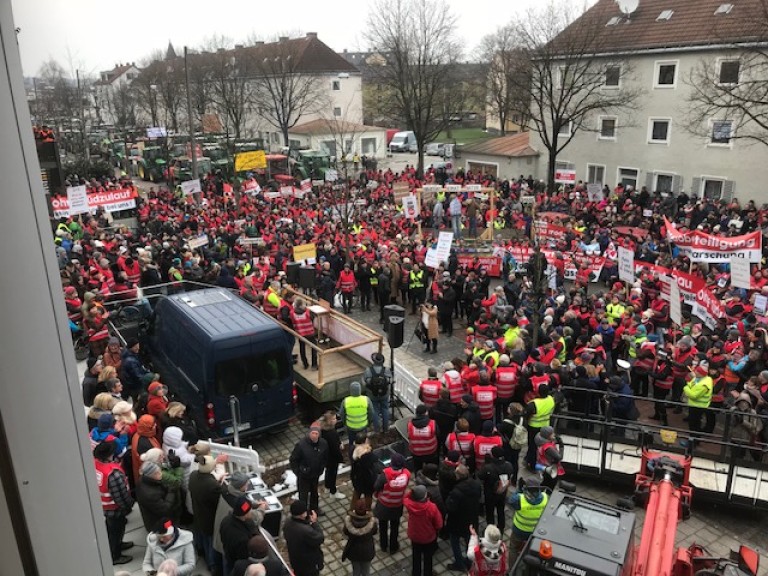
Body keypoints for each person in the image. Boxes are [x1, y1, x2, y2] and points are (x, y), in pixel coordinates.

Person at [93, 440, 134, 565]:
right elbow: (120, 495)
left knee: (112, 530)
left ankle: (118, 545)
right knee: (116, 531)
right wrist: (128, 506)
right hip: (115, 508)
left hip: (105, 506)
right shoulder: (113, 473)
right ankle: (115, 555)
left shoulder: (96, 465)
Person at [188, 453, 229, 576]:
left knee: (201, 537)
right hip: (209, 518)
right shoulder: (212, 485)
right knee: (211, 543)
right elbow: (221, 494)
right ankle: (213, 566)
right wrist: (220, 483)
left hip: (198, 513)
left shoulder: (193, 475)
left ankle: (201, 552)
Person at [445, 464, 482, 571]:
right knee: (469, 542)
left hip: (457, 522)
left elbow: (450, 507)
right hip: (472, 519)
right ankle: (470, 561)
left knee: (455, 542)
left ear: (458, 476)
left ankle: (459, 563)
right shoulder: (476, 484)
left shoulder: (456, 491)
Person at [373, 452, 410, 553]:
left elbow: (376, 486)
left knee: (383, 526)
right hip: (397, 504)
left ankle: (383, 545)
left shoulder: (385, 473)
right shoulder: (407, 474)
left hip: (384, 504)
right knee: (395, 526)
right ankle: (393, 546)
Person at [290, 422, 329, 514]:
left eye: (316, 433)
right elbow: (293, 460)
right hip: (304, 476)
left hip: (315, 474)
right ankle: (304, 513)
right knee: (303, 496)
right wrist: (299, 472)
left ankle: (314, 509)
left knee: (314, 493)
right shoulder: (301, 445)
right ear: (309, 433)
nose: (314, 435)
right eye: (312, 433)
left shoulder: (323, 444)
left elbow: (325, 457)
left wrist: (321, 467)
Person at [404, 485, 443, 576]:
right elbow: (439, 523)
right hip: (428, 537)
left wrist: (413, 492)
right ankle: (427, 573)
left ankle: (416, 573)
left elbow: (405, 496)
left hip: (414, 535)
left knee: (416, 556)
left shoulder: (409, 504)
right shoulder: (431, 507)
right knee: (428, 557)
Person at [509, 477, 548, 566]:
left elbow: (511, 500)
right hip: (534, 531)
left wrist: (519, 489)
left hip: (519, 530)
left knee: (513, 549)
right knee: (533, 549)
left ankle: (511, 569)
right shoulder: (545, 498)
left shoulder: (519, 499)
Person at [283, 500, 325, 576]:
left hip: (296, 561)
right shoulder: (305, 531)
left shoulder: (287, 522)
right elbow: (320, 538)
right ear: (303, 514)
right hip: (309, 565)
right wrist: (314, 523)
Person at [477, 446, 513, 533]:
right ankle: (501, 527)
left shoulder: (488, 467)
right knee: (501, 510)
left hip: (490, 494)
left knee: (490, 512)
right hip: (502, 492)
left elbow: (480, 475)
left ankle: (491, 528)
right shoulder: (508, 465)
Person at [220, 497, 261, 570]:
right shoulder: (242, 538)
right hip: (235, 563)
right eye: (250, 510)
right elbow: (243, 557)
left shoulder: (225, 520)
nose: (252, 511)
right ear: (245, 514)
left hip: (227, 555)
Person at [136, 461, 178, 533]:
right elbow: (164, 509)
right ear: (151, 475)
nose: (161, 474)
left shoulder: (144, 481)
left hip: (152, 517)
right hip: (159, 523)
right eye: (158, 472)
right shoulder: (150, 494)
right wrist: (171, 492)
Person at [342, 499, 378, 576]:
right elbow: (375, 532)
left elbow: (345, 532)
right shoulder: (372, 523)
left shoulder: (349, 522)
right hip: (367, 551)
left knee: (356, 570)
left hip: (353, 550)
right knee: (366, 571)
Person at [339, 381, 375, 459]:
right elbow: (371, 413)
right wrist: (368, 422)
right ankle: (364, 457)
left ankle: (352, 457)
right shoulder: (366, 399)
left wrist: (346, 423)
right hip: (363, 426)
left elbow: (341, 414)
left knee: (352, 443)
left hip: (351, 427)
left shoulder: (346, 401)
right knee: (363, 443)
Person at [682, 363, 715, 446]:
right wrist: (688, 387)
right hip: (694, 405)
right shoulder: (698, 379)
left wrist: (685, 388)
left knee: (694, 425)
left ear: (701, 374)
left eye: (696, 371)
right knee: (693, 424)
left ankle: (693, 442)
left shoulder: (704, 384)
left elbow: (694, 395)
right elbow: (690, 384)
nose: (694, 372)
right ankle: (693, 440)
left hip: (698, 406)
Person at [525, 384, 555, 470]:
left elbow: (527, 415)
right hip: (546, 426)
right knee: (545, 446)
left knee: (533, 446)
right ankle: (545, 463)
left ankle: (532, 464)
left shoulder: (534, 403)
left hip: (534, 427)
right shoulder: (551, 399)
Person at [319, 410, 346, 500]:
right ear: (329, 421)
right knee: (333, 474)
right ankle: (333, 492)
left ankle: (327, 486)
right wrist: (341, 458)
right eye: (334, 418)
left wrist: (339, 442)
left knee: (328, 472)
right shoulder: (331, 432)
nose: (336, 420)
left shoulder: (323, 429)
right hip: (332, 457)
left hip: (325, 456)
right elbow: (335, 448)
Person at [363, 353, 392, 432]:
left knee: (375, 411)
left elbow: (364, 382)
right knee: (385, 409)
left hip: (372, 394)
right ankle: (386, 428)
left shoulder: (368, 370)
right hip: (384, 394)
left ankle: (377, 429)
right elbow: (390, 381)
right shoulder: (386, 370)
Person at [408, 404, 440, 472]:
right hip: (431, 452)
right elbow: (438, 434)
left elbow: (409, 436)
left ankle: (418, 479)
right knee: (432, 470)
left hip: (416, 452)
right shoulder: (433, 423)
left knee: (417, 468)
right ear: (426, 413)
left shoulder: (410, 425)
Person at [350, 435, 378, 511]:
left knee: (356, 493)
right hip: (367, 478)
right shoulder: (367, 453)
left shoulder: (353, 449)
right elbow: (375, 459)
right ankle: (367, 510)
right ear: (364, 441)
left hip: (356, 477)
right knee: (368, 495)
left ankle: (352, 510)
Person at [534, 426, 565, 492]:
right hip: (551, 469)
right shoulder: (548, 448)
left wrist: (554, 440)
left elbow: (551, 442)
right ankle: (547, 496)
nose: (554, 434)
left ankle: (538, 492)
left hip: (544, 466)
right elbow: (559, 457)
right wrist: (561, 446)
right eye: (552, 433)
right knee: (550, 485)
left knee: (545, 482)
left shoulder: (541, 440)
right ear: (547, 436)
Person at [290, 298, 318, 369]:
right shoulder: (308, 312)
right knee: (314, 348)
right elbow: (313, 317)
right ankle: (314, 365)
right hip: (310, 333)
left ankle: (305, 364)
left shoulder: (292, 313)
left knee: (302, 348)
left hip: (301, 333)